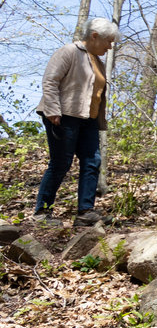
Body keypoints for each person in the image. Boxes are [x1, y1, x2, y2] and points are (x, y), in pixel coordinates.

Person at [34, 18, 120, 226]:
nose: (110, 46)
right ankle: (42, 214)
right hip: (64, 116)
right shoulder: (69, 52)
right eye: (108, 41)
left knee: (93, 161)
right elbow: (50, 80)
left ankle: (85, 213)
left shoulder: (96, 61)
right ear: (94, 36)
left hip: (88, 119)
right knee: (61, 163)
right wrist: (53, 110)